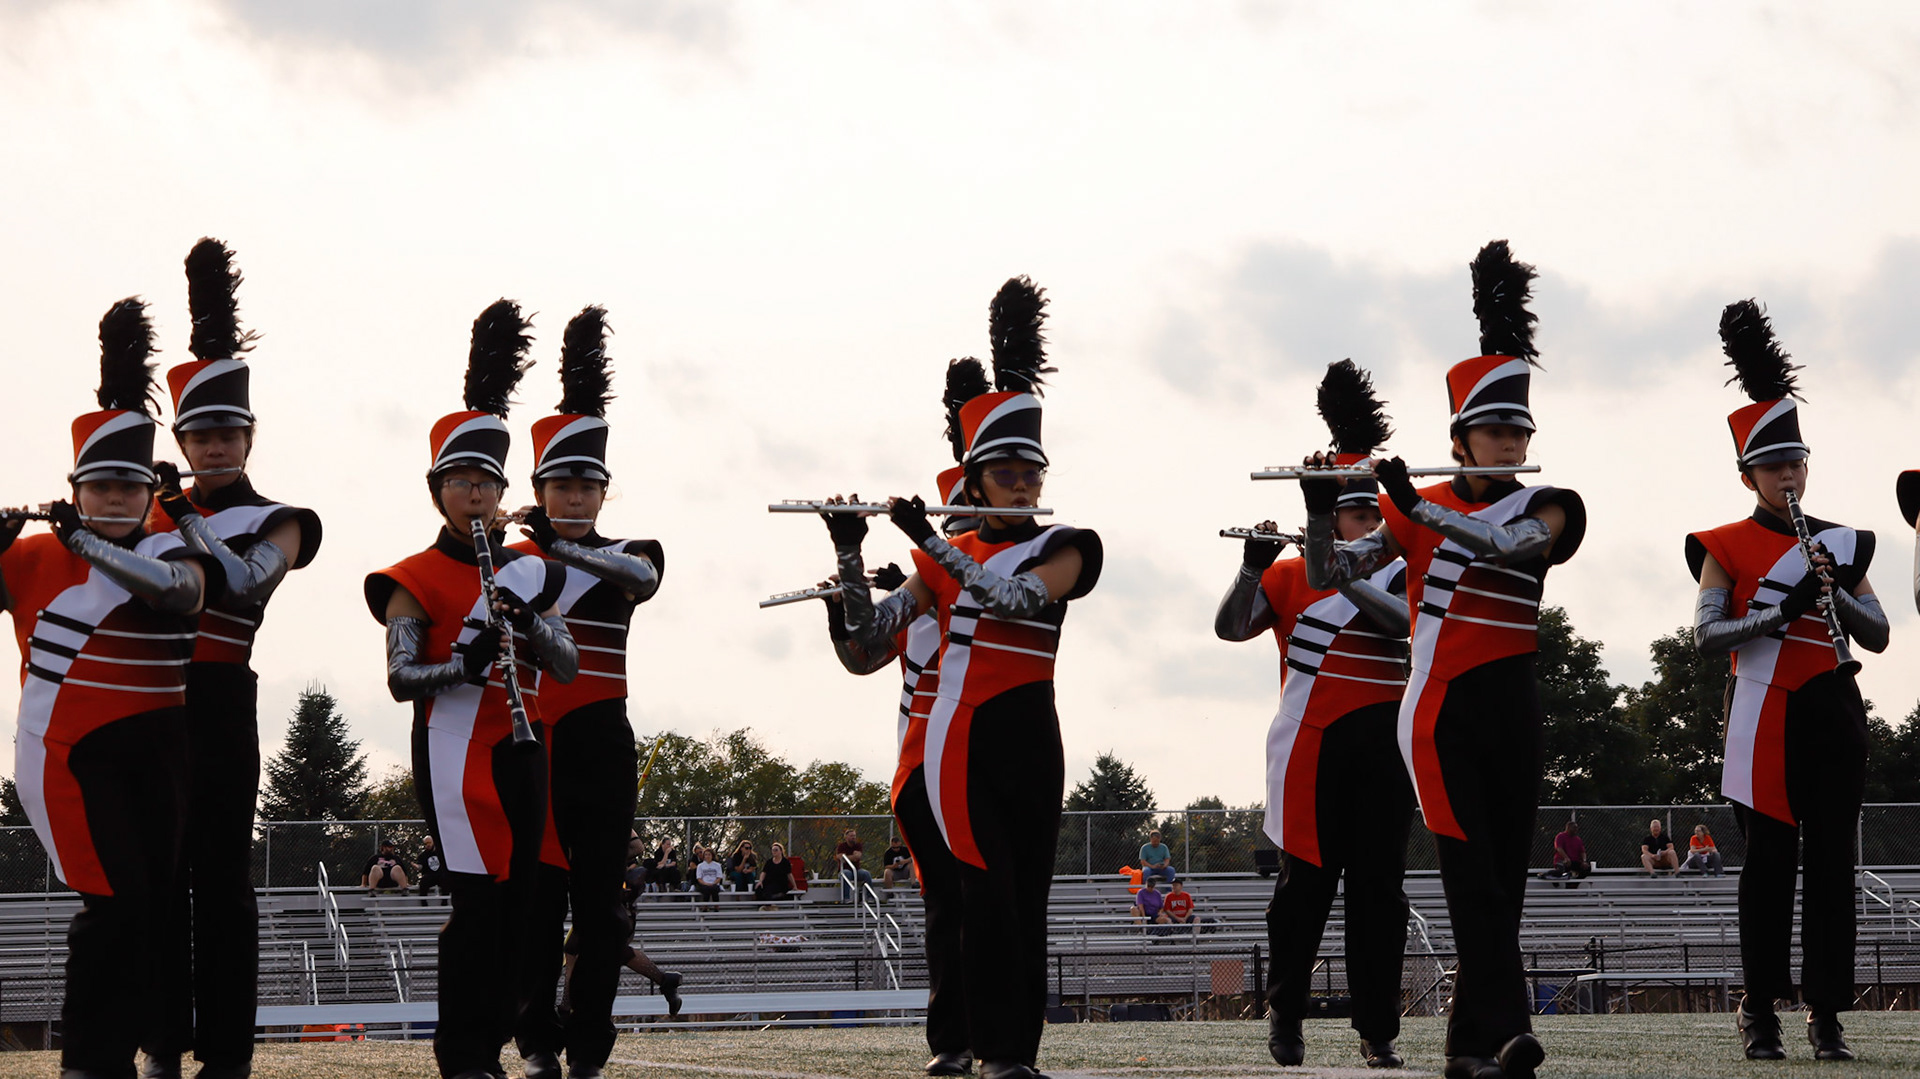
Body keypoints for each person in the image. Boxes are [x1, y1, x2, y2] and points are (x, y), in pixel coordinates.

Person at [1298, 243, 1584, 1079]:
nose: (1510, 442)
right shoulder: (1412, 508)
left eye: (1519, 431)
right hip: (1437, 707)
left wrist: (1417, 508)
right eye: (1495, 431)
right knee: (1470, 875)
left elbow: (1506, 546)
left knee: (1505, 879)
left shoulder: (1553, 504)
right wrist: (1318, 511)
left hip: (1513, 700)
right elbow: (1329, 575)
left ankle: (1467, 1045)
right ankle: (1510, 1033)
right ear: (1460, 438)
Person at [831, 277, 1103, 1079]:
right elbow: (865, 644)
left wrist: (932, 542)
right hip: (956, 739)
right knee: (984, 892)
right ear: (975, 477)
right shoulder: (942, 557)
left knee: (1027, 900)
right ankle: (995, 1051)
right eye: (1005, 471)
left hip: (1032, 734)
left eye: (1032, 472)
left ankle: (1016, 1049)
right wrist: (848, 555)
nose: (1022, 484)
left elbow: (1014, 599)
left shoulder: (1068, 545)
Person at [363, 300, 578, 1079]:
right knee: (479, 903)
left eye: (486, 480)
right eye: (459, 480)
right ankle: (464, 1053)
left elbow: (566, 664)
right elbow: (401, 679)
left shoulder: (531, 567)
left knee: (526, 904)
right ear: (437, 491)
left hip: (524, 740)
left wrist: (529, 620)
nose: (475, 492)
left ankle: (500, 1039)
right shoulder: (410, 577)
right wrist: (464, 661)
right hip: (453, 745)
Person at [5, 300, 215, 1079]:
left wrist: (87, 541)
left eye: (131, 484)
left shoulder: (173, 545)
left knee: (149, 907)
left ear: (150, 487)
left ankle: (123, 1051)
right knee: (112, 903)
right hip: (69, 753)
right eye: (101, 486)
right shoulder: (30, 557)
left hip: (162, 751)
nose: (119, 498)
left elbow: (183, 596)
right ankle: (92, 1062)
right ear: (75, 487)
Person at [140, 241, 324, 1079]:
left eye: (227, 432)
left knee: (219, 879)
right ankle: (158, 1041)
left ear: (250, 434)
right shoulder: (141, 508)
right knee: (154, 876)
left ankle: (225, 1053)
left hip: (218, 697)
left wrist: (181, 519)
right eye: (200, 434)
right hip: (145, 698)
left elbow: (246, 586)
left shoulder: (281, 517)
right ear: (181, 438)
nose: (215, 446)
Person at [1688, 300, 1886, 1063]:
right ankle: (1760, 1008)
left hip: (1833, 707)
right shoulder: (1724, 545)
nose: (1788, 475)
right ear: (1748, 473)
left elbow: (1880, 632)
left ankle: (1827, 1011)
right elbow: (1706, 635)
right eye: (1774, 466)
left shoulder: (1842, 540)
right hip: (1761, 716)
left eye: (1796, 462)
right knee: (1769, 867)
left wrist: (1833, 590)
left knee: (1833, 865)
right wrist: (1781, 609)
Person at [1217, 359, 1413, 1070]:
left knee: (1379, 895)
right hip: (1310, 748)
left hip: (1384, 746)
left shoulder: (1404, 570)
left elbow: (1403, 627)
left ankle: (1377, 1029)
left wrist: (1338, 568)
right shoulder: (1290, 573)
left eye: (1373, 514)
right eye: (1352, 514)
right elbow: (1230, 628)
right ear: (1329, 514)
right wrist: (1252, 564)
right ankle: (1286, 1016)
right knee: (1302, 892)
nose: (1367, 524)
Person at [503, 308, 666, 1079]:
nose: (573, 496)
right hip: (532, 738)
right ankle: (535, 1038)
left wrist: (559, 545)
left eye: (586, 485)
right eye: (560, 485)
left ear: (604, 491)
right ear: (539, 488)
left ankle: (589, 1043)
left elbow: (642, 580)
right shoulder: (509, 558)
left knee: (601, 903)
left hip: (602, 734)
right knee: (537, 900)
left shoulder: (632, 550)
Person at [834, 827, 873, 902]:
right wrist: (852, 857)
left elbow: (857, 857)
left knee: (866, 874)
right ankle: (846, 898)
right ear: (846, 837)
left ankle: (870, 897)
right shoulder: (841, 846)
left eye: (854, 835)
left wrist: (847, 857)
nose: (853, 837)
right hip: (844, 870)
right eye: (851, 836)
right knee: (846, 874)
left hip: (856, 870)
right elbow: (841, 858)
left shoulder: (858, 845)